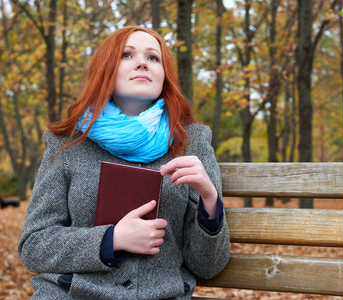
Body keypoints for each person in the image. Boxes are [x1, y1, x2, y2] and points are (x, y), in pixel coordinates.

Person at [18, 26, 230, 299]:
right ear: (105, 69)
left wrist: (209, 200)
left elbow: (209, 267)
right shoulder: (67, 142)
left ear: (165, 76)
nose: (143, 62)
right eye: (127, 55)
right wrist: (111, 239)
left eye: (153, 58)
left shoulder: (193, 141)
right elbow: (33, 247)